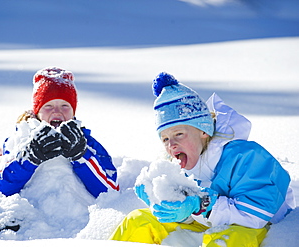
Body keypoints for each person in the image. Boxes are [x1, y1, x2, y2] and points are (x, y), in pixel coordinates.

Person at [0, 66, 119, 246]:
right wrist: (28, 159)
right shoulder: (19, 139)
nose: (57, 111)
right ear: (36, 110)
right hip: (24, 224)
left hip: (76, 225)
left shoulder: (87, 143)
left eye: (65, 105)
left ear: (74, 110)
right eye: (48, 105)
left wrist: (81, 156)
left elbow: (111, 190)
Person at [109, 72, 295, 246]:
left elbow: (257, 214)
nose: (171, 144)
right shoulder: (176, 164)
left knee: (225, 240)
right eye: (165, 138)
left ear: (203, 131)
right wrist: (165, 204)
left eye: (179, 134)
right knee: (139, 221)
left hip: (256, 226)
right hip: (207, 225)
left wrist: (202, 205)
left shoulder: (245, 157)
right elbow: (191, 214)